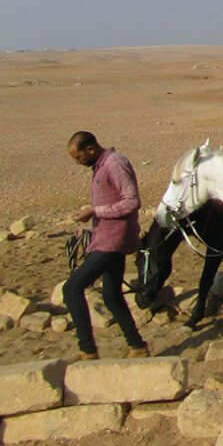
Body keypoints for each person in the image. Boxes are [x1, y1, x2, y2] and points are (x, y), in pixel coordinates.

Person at [64, 131, 149, 360]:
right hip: (106, 237)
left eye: (78, 157)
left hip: (114, 241)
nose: (77, 162)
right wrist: (90, 223)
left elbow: (132, 201)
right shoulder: (101, 166)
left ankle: (87, 350)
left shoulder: (115, 164)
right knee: (112, 296)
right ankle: (137, 346)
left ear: (90, 149)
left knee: (72, 288)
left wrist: (94, 212)